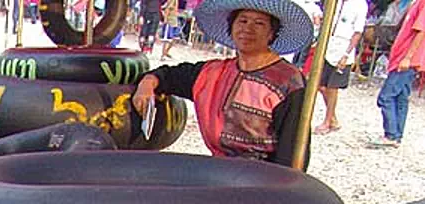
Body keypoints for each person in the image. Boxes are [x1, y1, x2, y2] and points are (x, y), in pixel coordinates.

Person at [132, 0, 314, 166]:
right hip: (220, 171)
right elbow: (170, 76)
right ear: (231, 27)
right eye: (242, 21)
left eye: (259, 23)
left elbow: (292, 153)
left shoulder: (288, 82)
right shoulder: (213, 73)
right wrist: (148, 82)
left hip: (264, 178)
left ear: (272, 33)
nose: (248, 29)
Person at [371, 0, 425, 147]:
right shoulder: (415, 3)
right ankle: (396, 135)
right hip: (403, 57)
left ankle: (391, 134)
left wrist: (408, 57)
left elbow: (421, 31)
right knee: (401, 97)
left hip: (406, 59)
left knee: (386, 97)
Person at [312, 0, 365, 133]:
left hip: (343, 47)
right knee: (320, 85)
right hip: (328, 45)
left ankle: (327, 121)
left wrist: (346, 54)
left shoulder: (360, 4)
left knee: (333, 87)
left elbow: (357, 32)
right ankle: (333, 118)